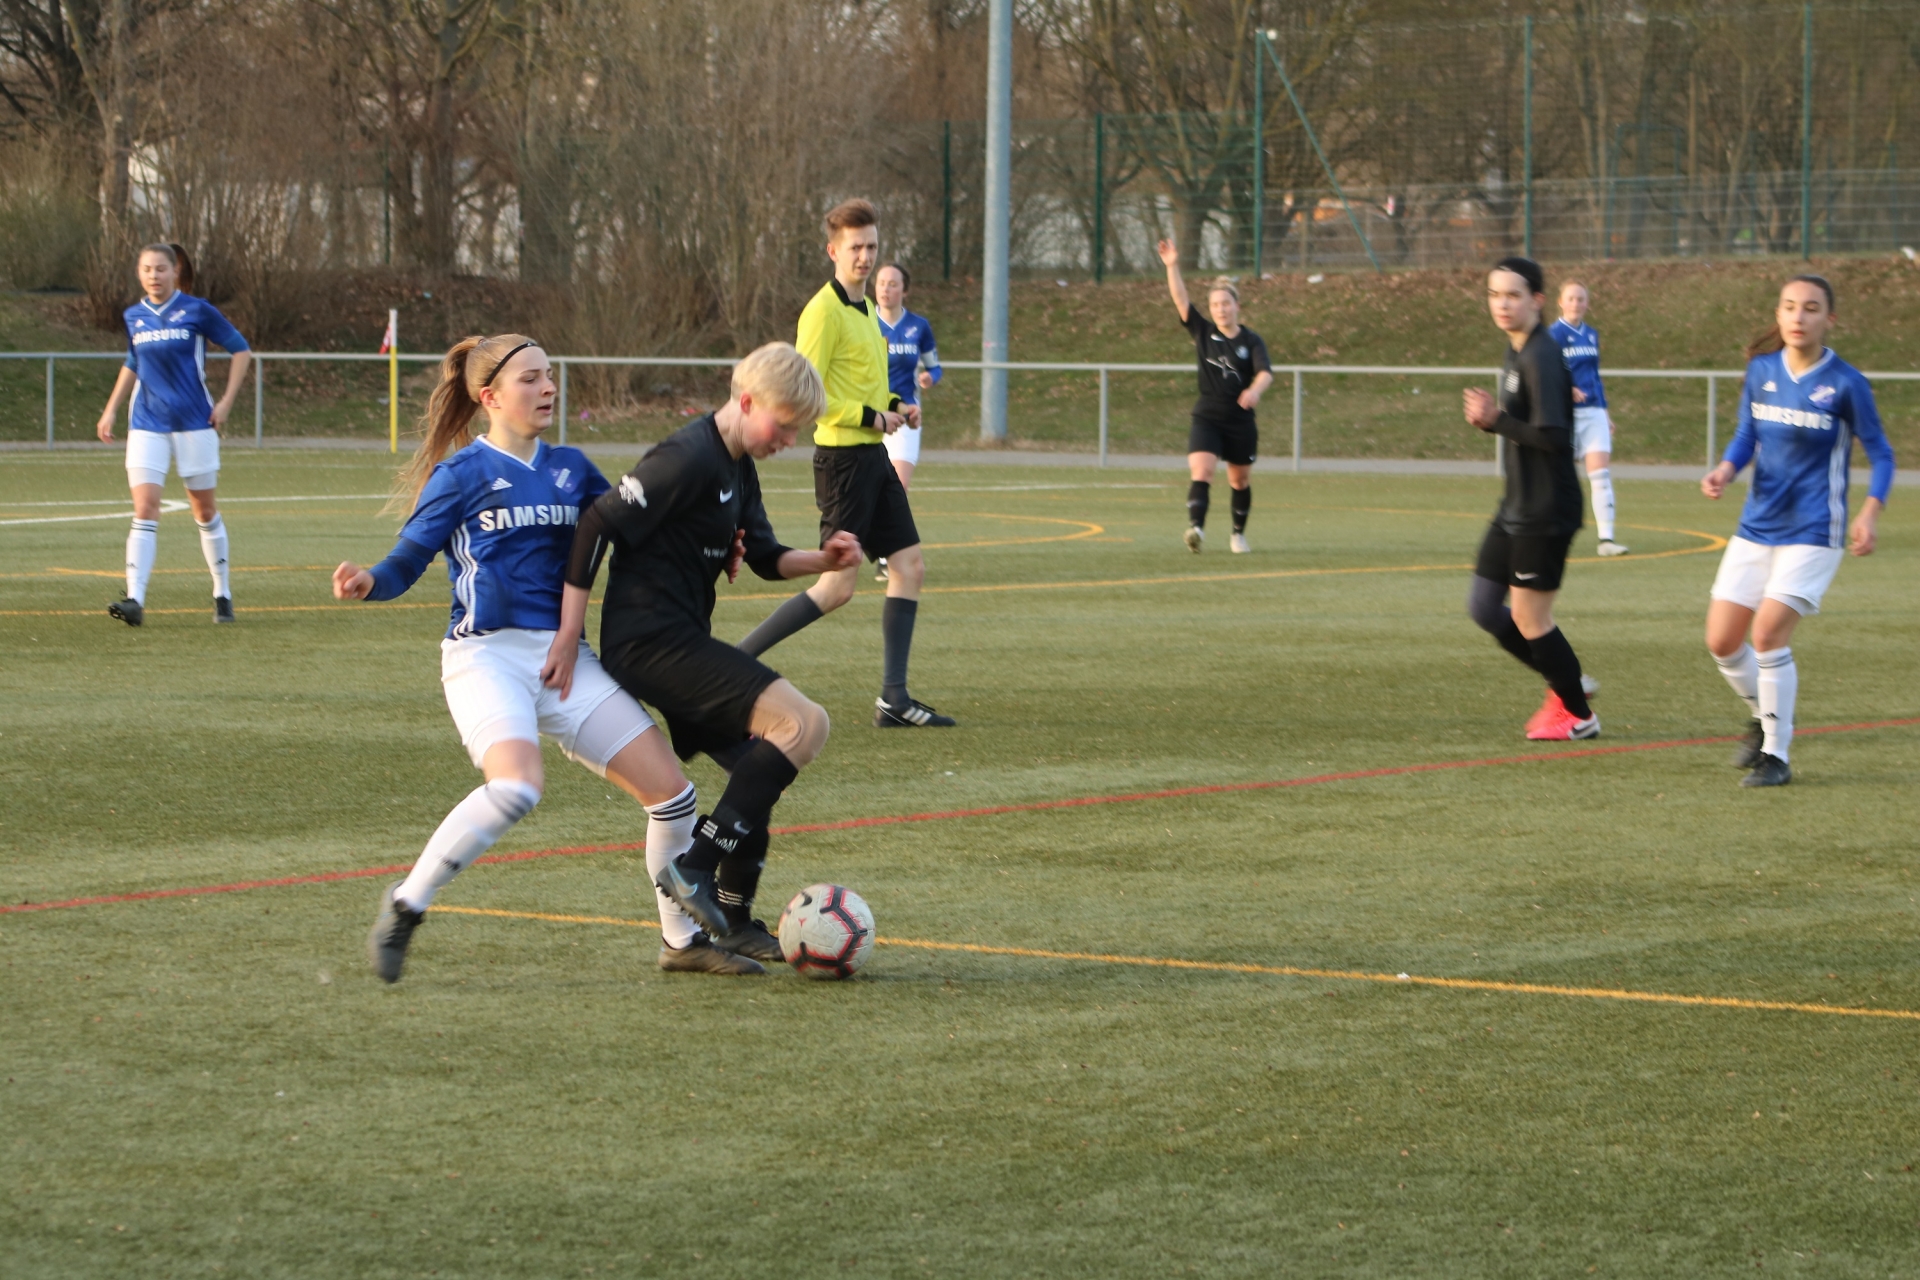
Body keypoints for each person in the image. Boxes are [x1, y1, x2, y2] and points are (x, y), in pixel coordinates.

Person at [334, 333, 759, 981]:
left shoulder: (573, 469)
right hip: (486, 659)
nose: (548, 388)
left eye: (550, 375)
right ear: (490, 397)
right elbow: (406, 561)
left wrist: (714, 545)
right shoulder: (461, 474)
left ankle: (682, 943)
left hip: (565, 661)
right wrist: (369, 581)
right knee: (517, 786)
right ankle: (406, 904)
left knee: (674, 796)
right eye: (530, 378)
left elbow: (641, 533)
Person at [559, 342, 863, 959]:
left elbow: (766, 557)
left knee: (758, 773)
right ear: (746, 402)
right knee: (804, 725)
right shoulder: (687, 456)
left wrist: (822, 559)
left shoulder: (737, 465)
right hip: (648, 642)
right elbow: (597, 523)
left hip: (679, 639)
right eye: (783, 426)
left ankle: (735, 921)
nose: (788, 441)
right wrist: (570, 634)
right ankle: (693, 868)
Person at [736, 199, 955, 728]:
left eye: (871, 246)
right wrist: (870, 417)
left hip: (872, 457)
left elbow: (868, 384)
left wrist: (896, 406)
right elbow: (803, 393)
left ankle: (894, 700)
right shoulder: (822, 311)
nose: (865, 256)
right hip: (842, 462)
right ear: (833, 251)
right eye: (855, 247)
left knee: (909, 566)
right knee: (836, 587)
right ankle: (730, 665)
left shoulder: (866, 311)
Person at [1701, 275, 1893, 788]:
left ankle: (1776, 756)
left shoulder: (1847, 383)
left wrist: (1869, 513)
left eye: (1811, 308)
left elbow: (1882, 454)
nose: (1798, 316)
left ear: (1829, 319)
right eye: (1789, 306)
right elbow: (1747, 434)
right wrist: (1725, 469)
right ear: (1779, 314)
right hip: (1757, 525)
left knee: (1767, 634)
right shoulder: (1761, 370)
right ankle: (1764, 714)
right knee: (1722, 641)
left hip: (1814, 529)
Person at [1462, 257, 1599, 742]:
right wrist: (1494, 422)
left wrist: (1496, 420)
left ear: (1537, 301)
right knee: (1483, 606)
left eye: (1513, 295)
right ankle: (1566, 679)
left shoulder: (1541, 354)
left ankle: (1578, 714)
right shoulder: (1515, 349)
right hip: (1516, 505)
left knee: (1529, 617)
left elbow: (1556, 438)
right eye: (1495, 294)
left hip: (1546, 509)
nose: (1502, 304)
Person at [95, 243, 251, 626]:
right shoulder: (134, 315)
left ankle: (222, 593)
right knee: (145, 508)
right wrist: (111, 409)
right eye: (147, 269)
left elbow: (241, 350)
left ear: (175, 271)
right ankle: (135, 599)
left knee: (204, 511)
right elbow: (133, 361)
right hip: (147, 423)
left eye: (161, 268)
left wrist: (226, 403)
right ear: (139, 273)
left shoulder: (197, 310)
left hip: (195, 422)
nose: (154, 275)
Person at [1155, 238, 1272, 554]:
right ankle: (1196, 530)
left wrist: (1254, 390)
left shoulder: (1251, 340)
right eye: (1216, 304)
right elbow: (1181, 299)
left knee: (1239, 481)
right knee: (1202, 472)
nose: (1221, 309)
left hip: (1240, 420)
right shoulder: (1204, 332)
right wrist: (1172, 265)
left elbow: (1265, 373)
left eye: (1226, 303)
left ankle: (1238, 535)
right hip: (1207, 416)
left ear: (1237, 306)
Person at [873, 262, 941, 582]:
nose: (886, 289)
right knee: (868, 488)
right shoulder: (864, 322)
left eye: (893, 284)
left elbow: (934, 367)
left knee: (897, 488)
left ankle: (886, 557)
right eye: (881, 283)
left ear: (905, 290)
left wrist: (930, 377)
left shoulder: (918, 326)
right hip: (871, 418)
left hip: (906, 418)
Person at [1549, 282, 1628, 556]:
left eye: (1581, 299)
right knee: (1559, 477)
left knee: (1600, 475)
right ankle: (1551, 535)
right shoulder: (1553, 335)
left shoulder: (1591, 334)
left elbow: (1595, 376)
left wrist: (1605, 413)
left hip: (1593, 412)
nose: (1576, 303)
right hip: (1565, 414)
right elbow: (1546, 374)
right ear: (1561, 302)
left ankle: (1606, 540)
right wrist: (1567, 388)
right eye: (1571, 298)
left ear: (1587, 303)